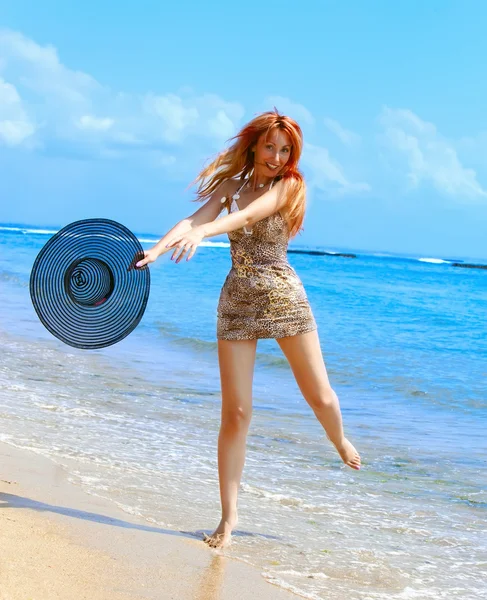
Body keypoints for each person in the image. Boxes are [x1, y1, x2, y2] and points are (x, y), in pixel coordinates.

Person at [135, 110, 361, 548]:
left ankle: (339, 439)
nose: (277, 157)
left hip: (282, 294)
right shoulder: (231, 187)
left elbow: (245, 218)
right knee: (235, 413)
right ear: (255, 144)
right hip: (236, 299)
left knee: (320, 396)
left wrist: (205, 234)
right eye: (271, 146)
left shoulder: (289, 186)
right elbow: (193, 220)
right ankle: (228, 518)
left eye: (285, 150)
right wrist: (159, 248)